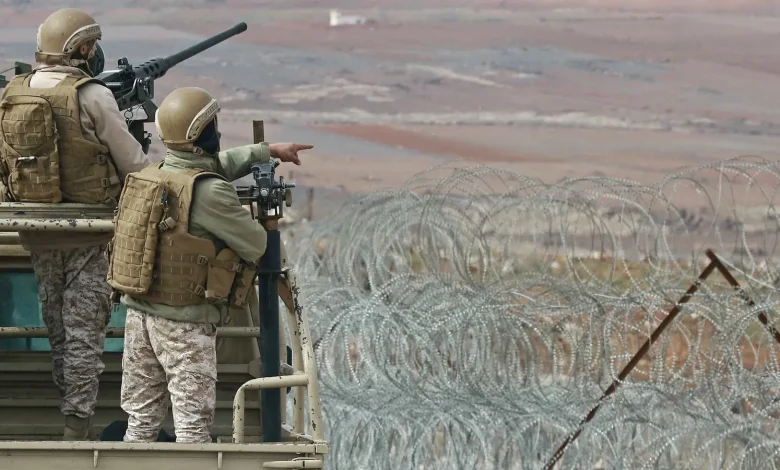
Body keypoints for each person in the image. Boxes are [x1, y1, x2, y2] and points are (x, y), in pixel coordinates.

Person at [111, 86, 312, 443]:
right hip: (184, 325)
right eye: (212, 128)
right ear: (201, 135)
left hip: (139, 317)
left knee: (140, 422)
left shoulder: (154, 175)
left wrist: (266, 151)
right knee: (192, 430)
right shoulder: (210, 193)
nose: (217, 134)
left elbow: (211, 167)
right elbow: (256, 245)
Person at [0, 8, 152, 440]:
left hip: (39, 232)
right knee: (84, 333)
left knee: (59, 332)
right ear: (82, 49)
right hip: (89, 233)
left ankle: (72, 413)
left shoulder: (13, 92)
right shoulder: (93, 95)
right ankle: (76, 426)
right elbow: (134, 166)